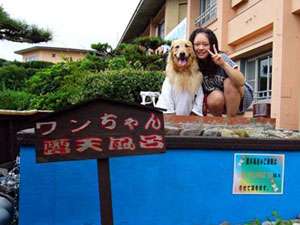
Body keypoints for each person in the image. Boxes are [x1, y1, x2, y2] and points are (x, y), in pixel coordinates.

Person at [189, 28, 253, 117]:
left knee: (229, 81)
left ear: (211, 45)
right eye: (197, 44)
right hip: (218, 101)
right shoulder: (193, 64)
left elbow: (241, 81)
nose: (201, 48)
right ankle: (219, 122)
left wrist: (223, 64)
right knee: (215, 97)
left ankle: (231, 121)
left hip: (240, 97)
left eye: (205, 44)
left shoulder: (221, 57)